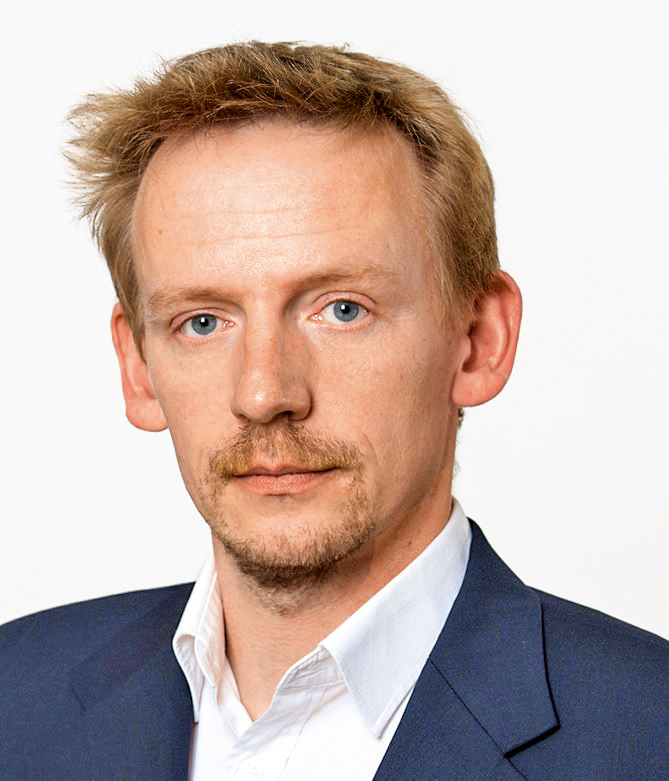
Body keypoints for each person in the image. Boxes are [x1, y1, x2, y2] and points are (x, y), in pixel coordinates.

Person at [1, 41, 667, 780]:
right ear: (139, 368)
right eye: (202, 321)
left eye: (342, 309)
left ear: (479, 340)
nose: (264, 394)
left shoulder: (648, 733)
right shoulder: (12, 697)